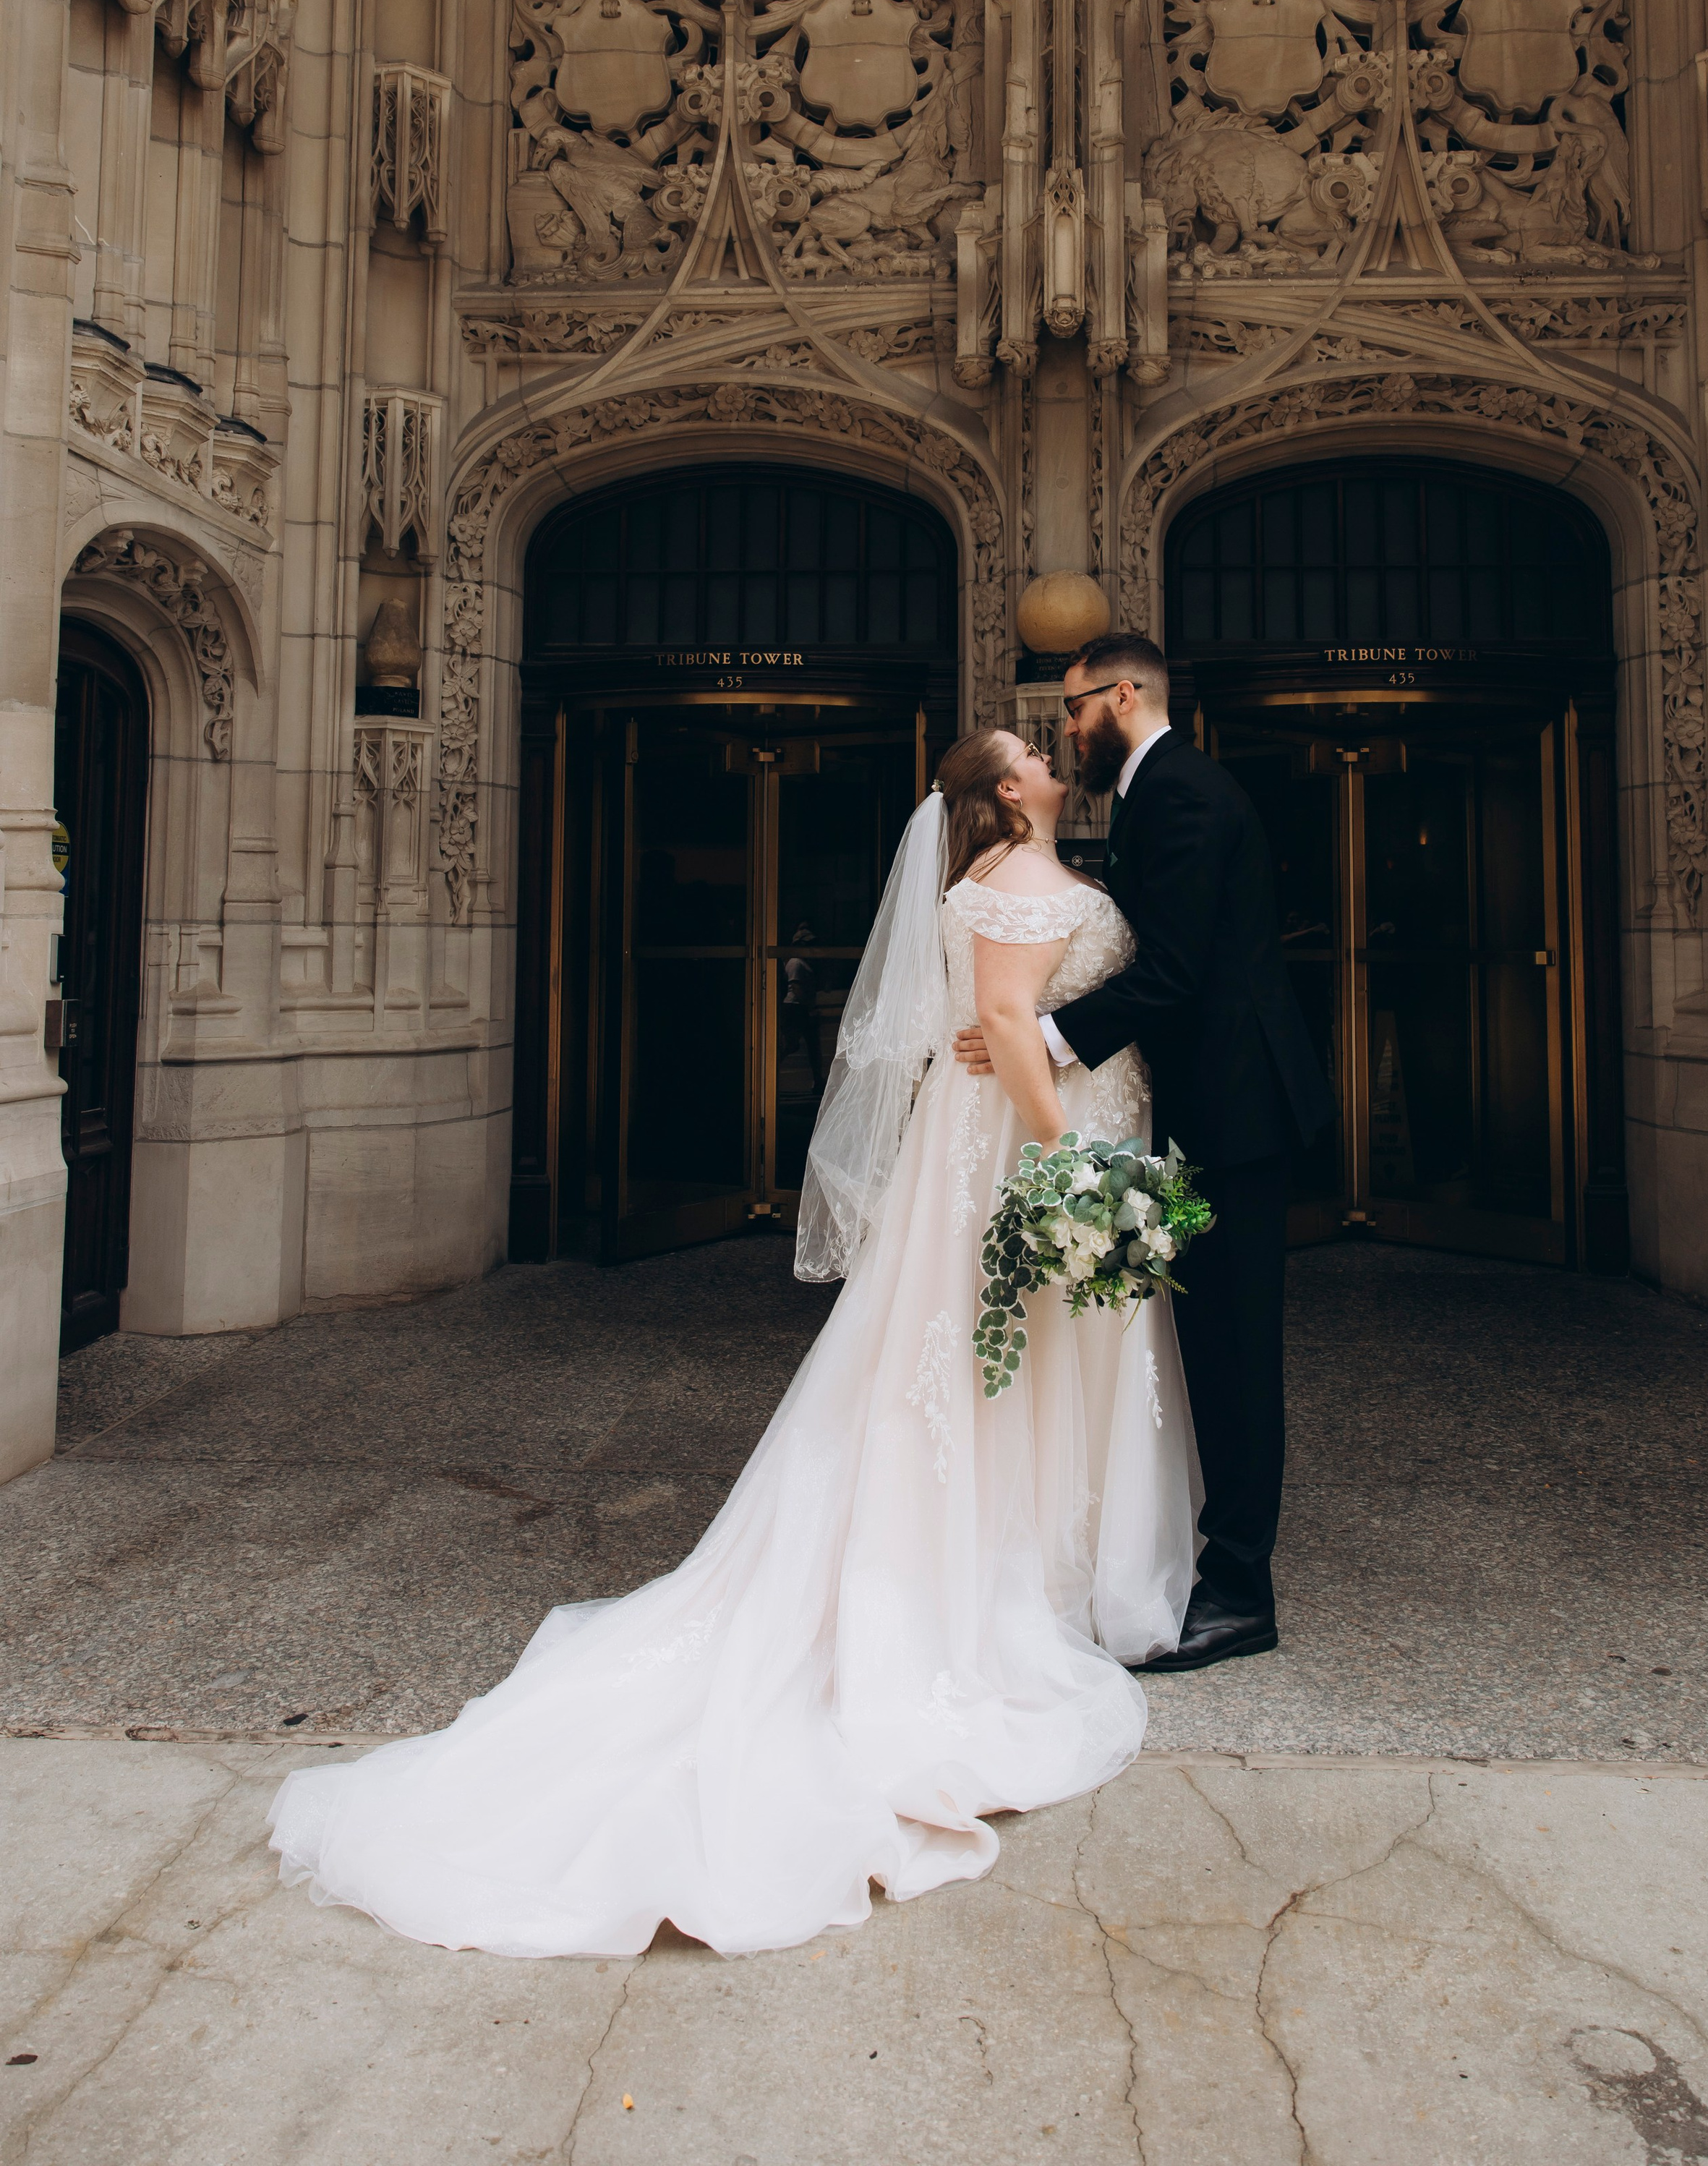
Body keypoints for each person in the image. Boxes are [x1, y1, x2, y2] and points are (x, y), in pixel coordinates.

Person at [266, 730, 1197, 1960]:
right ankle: (998, 1580)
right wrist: (1067, 1154)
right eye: (1030, 753)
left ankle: (1031, 1559)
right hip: (1017, 1147)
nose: (1049, 754)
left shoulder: (1016, 874)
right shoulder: (1015, 883)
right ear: (1002, 794)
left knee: (992, 1363)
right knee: (985, 1362)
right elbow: (1012, 1024)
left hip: (1002, 1140)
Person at [955, 630, 1333, 1671]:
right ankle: (1217, 1565)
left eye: (1073, 708)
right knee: (1213, 1348)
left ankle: (1241, 1593)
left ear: (1124, 693)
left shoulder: (1178, 793)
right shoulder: (1150, 790)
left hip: (1235, 1115)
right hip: (1209, 1109)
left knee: (1236, 1354)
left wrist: (1040, 1040)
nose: (1066, 729)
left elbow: (1170, 971)